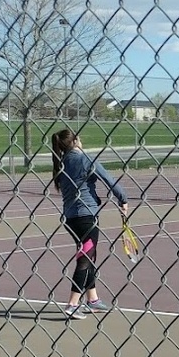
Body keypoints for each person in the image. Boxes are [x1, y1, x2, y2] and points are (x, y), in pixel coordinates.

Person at [50, 128, 130, 320]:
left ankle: (92, 299)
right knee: (86, 257)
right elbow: (109, 180)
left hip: (70, 218)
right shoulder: (86, 159)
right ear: (76, 141)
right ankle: (72, 304)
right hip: (87, 217)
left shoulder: (62, 162)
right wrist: (123, 200)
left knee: (88, 254)